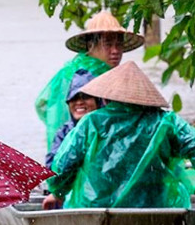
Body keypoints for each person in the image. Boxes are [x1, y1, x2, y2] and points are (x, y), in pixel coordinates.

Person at [46, 61, 195, 210]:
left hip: (97, 207)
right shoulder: (166, 121)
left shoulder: (92, 122)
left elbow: (65, 163)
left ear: (105, 97)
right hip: (156, 206)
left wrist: (58, 192)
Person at [36, 10, 142, 156]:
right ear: (91, 44)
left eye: (119, 45)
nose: (115, 51)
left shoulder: (112, 75)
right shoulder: (78, 76)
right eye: (108, 44)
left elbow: (42, 104)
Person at [44, 69, 102, 169]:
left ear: (98, 101)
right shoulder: (64, 132)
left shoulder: (108, 129)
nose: (79, 102)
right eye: (74, 98)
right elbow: (52, 170)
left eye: (85, 97)